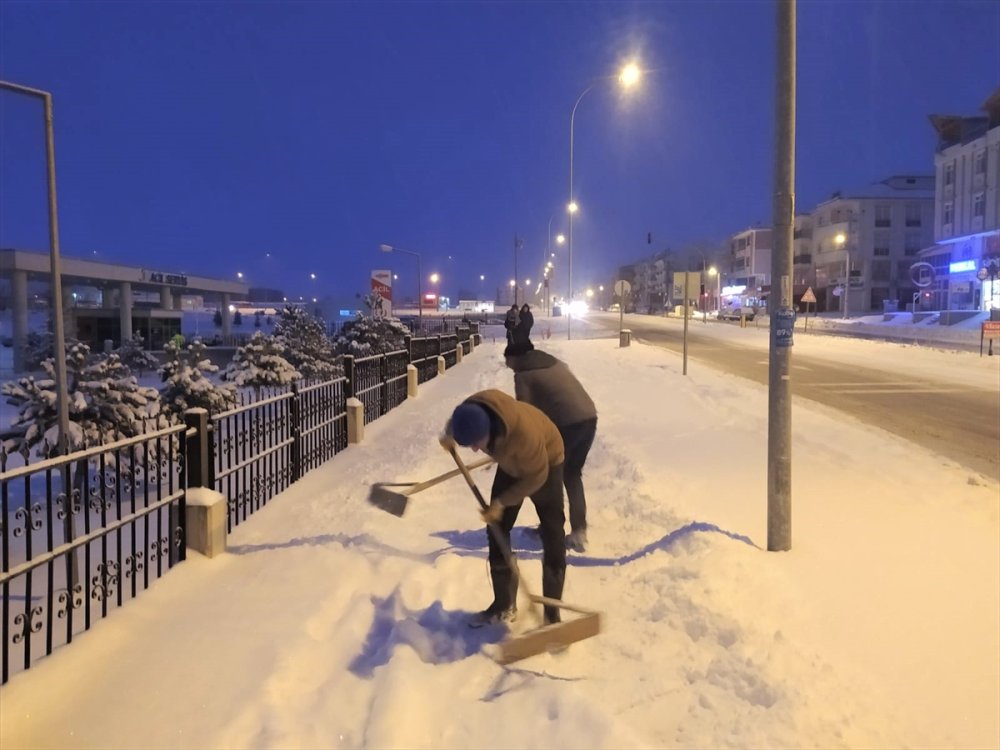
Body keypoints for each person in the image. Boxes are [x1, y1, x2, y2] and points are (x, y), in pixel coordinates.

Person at [444, 389, 566, 627]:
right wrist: (449, 435)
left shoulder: (525, 436)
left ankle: (552, 613)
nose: (476, 451)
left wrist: (500, 503)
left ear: (489, 431)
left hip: (545, 464)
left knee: (553, 533)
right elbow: (460, 421)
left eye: (476, 443)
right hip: (509, 461)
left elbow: (535, 478)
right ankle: (503, 604)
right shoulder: (472, 409)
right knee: (496, 526)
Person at [503, 341, 597, 553]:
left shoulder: (523, 375)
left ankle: (550, 530)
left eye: (507, 361)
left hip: (567, 424)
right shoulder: (554, 363)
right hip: (589, 418)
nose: (507, 366)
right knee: (572, 475)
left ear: (514, 358)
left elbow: (525, 412)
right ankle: (579, 532)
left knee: (548, 475)